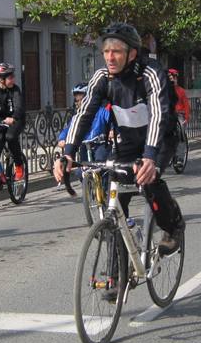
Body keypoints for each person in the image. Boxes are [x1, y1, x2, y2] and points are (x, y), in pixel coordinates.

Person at [55, 23, 184, 254]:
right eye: (106, 51)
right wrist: (68, 152)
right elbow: (84, 114)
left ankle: (173, 226)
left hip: (160, 138)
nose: (110, 57)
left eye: (116, 51)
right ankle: (115, 275)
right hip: (127, 142)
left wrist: (150, 157)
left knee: (148, 180)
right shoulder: (102, 77)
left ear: (132, 53)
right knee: (115, 206)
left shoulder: (150, 73)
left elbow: (158, 115)